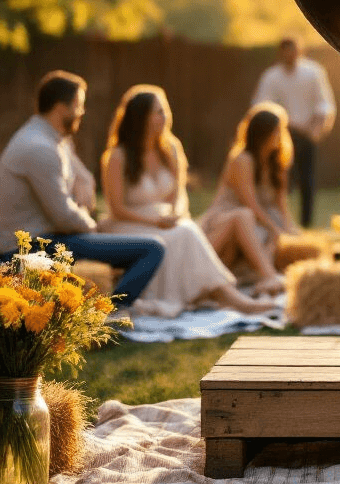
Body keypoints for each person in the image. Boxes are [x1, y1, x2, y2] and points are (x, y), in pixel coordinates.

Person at [0, 70, 164, 307]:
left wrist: (85, 183)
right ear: (62, 108)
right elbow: (63, 216)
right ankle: (109, 315)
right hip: (30, 247)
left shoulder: (47, 137)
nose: (82, 112)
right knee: (152, 248)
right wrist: (95, 226)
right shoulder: (40, 147)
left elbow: (80, 178)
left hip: (50, 237)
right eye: (79, 105)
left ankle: (107, 311)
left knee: (137, 245)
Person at [99, 85, 276, 318]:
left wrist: (173, 215)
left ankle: (223, 294)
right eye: (157, 112)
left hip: (165, 221)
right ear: (139, 117)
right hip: (128, 224)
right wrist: (156, 221)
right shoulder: (118, 156)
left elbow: (177, 197)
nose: (164, 117)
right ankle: (231, 298)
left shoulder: (170, 149)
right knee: (183, 234)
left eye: (164, 111)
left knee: (185, 229)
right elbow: (116, 209)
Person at [198, 103, 299, 291]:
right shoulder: (242, 159)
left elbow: (281, 204)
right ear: (261, 134)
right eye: (275, 131)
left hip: (256, 218)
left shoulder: (276, 163)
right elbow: (250, 204)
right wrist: (275, 228)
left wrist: (290, 229)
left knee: (277, 231)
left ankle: (263, 278)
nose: (280, 136)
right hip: (228, 216)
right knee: (259, 223)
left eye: (281, 131)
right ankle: (268, 276)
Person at [251, 38, 335, 228]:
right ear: (281, 53)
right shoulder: (271, 77)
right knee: (280, 178)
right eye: (286, 52)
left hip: (307, 133)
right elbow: (260, 104)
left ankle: (306, 223)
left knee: (307, 178)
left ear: (300, 51)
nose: (290, 55)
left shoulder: (314, 72)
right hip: (280, 135)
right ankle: (281, 220)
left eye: (293, 51)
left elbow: (324, 103)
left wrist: (317, 129)